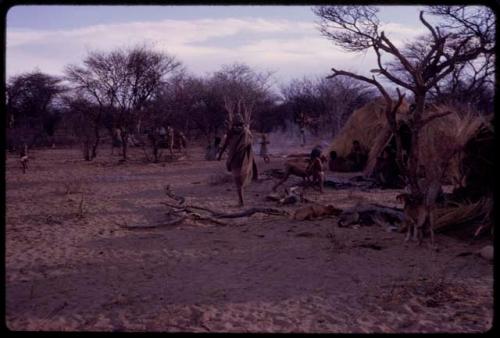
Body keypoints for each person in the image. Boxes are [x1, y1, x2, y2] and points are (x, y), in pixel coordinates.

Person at [218, 114, 258, 207]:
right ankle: (241, 201)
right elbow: (226, 143)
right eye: (236, 125)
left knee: (238, 181)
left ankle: (241, 202)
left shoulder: (244, 132)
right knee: (238, 181)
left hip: (240, 158)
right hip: (237, 159)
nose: (237, 127)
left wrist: (221, 155)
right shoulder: (234, 132)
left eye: (238, 125)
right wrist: (220, 155)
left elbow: (247, 144)